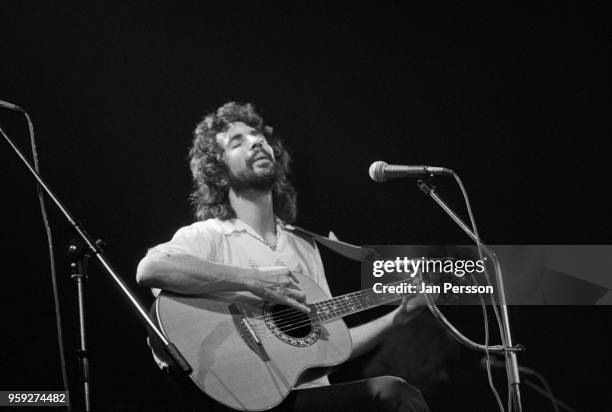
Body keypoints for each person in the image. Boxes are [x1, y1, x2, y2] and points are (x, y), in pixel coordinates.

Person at [136, 102, 430, 411]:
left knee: (397, 393)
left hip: (306, 397)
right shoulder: (209, 235)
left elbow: (328, 347)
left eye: (259, 137)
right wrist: (254, 281)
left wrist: (396, 319)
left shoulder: (304, 246)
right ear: (218, 173)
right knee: (392, 394)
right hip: (246, 398)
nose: (256, 142)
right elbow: (152, 268)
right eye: (238, 142)